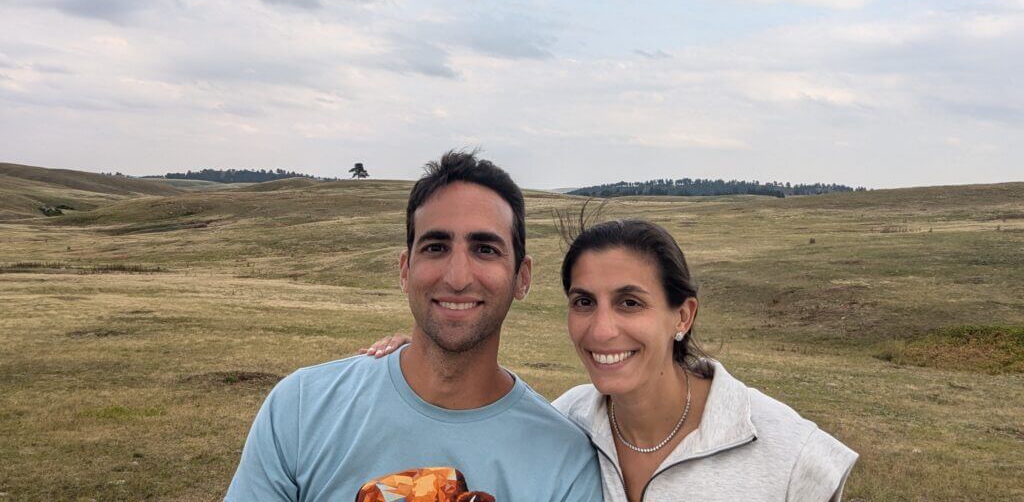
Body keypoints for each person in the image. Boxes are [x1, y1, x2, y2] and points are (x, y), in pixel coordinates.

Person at [366, 218, 858, 501]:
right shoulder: (566, 423)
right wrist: (418, 355)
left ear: (682, 315)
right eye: (584, 302)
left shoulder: (793, 456)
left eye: (630, 302)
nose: (602, 330)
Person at [225, 151, 603, 502]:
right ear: (405, 270)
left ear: (522, 277)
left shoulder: (565, 461)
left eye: (485, 249)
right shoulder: (300, 408)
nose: (457, 278)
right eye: (436, 247)